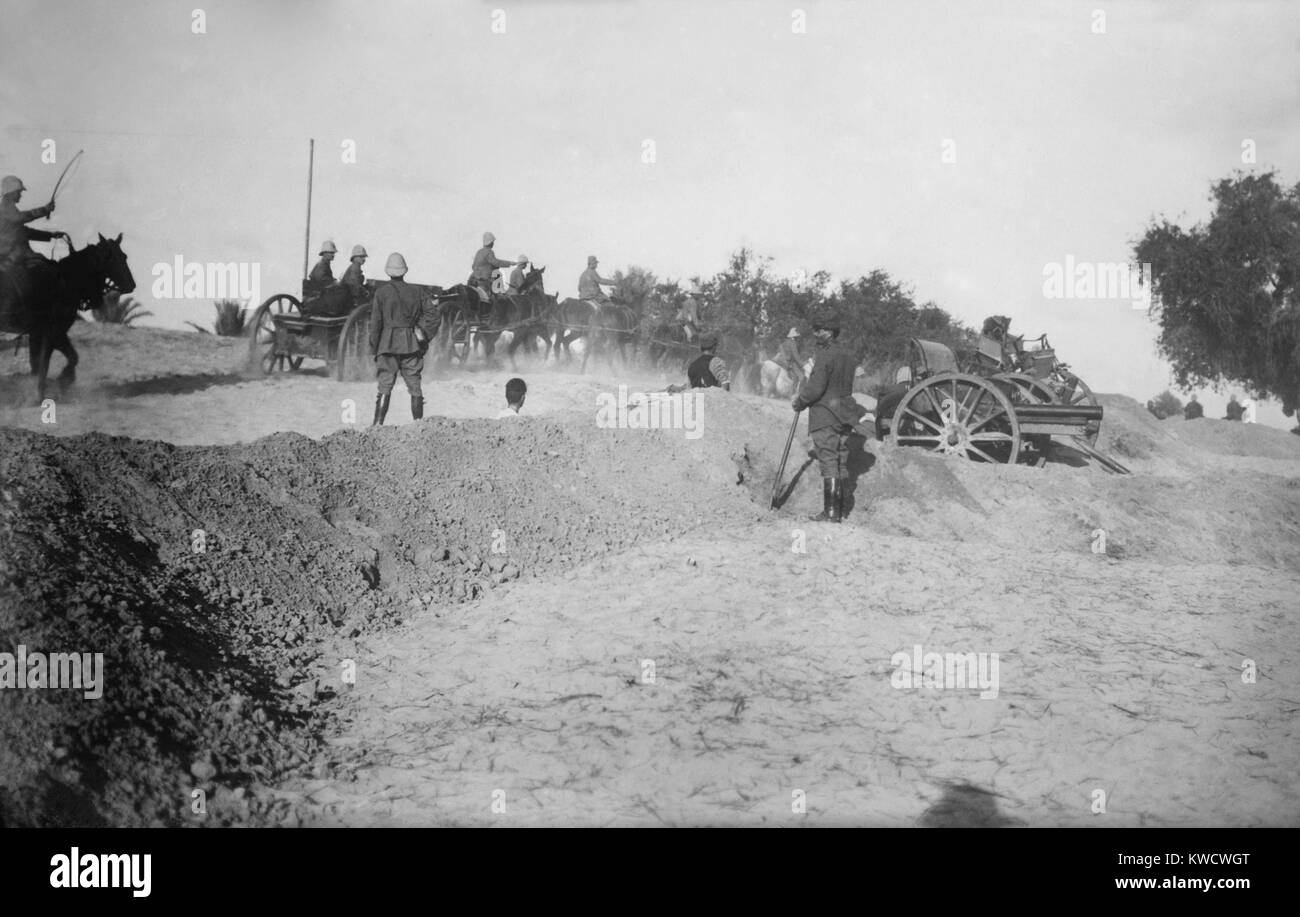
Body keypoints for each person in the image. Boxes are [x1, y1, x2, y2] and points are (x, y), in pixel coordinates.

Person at [792, 317, 862, 523]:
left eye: (819, 330)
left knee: (830, 461)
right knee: (840, 461)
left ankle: (830, 513)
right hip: (845, 414)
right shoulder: (850, 356)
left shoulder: (824, 356)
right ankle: (839, 512)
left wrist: (800, 401)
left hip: (825, 415)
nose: (815, 334)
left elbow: (815, 388)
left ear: (829, 333)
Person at [369, 252, 439, 426]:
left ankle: (377, 426)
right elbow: (434, 316)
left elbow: (375, 324)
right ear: (404, 271)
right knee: (415, 385)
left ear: (388, 272)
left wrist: (375, 348)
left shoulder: (381, 293)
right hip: (411, 344)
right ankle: (419, 427)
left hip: (387, 344)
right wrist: (423, 337)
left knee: (385, 385)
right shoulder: (417, 291)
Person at [0, 175, 67, 276]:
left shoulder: (9, 209)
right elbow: (20, 217)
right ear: (12, 192)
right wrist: (45, 210)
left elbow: (25, 232)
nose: (20, 195)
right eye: (19, 192)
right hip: (13, 253)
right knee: (46, 268)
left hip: (15, 252)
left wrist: (51, 235)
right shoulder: (6, 208)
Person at [471, 232, 519, 302]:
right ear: (490, 243)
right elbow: (496, 263)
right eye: (493, 242)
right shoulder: (489, 252)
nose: (493, 243)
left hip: (475, 279)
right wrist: (510, 263)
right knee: (496, 298)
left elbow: (473, 266)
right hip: (485, 281)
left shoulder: (479, 252)